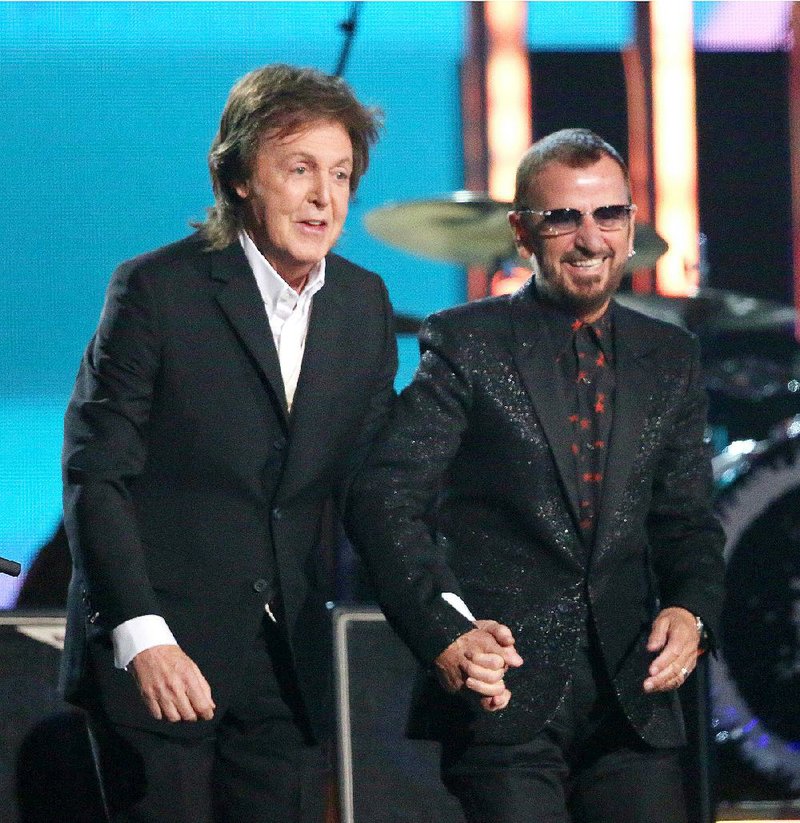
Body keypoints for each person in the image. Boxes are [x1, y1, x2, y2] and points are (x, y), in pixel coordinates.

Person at [347, 128, 726, 823]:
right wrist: (444, 632)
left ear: (631, 225)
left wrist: (691, 610)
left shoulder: (669, 356)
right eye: (564, 218)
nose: (590, 238)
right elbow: (383, 496)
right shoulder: (467, 342)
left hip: (631, 697)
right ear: (523, 231)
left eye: (608, 215)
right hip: (505, 693)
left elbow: (688, 521)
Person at [60, 63, 404, 823]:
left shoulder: (362, 304)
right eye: (301, 169)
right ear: (242, 176)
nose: (326, 196)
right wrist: (141, 636)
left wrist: (443, 617)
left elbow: (379, 493)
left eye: (342, 173)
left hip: (285, 670)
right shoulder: (156, 291)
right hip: (160, 654)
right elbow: (96, 475)